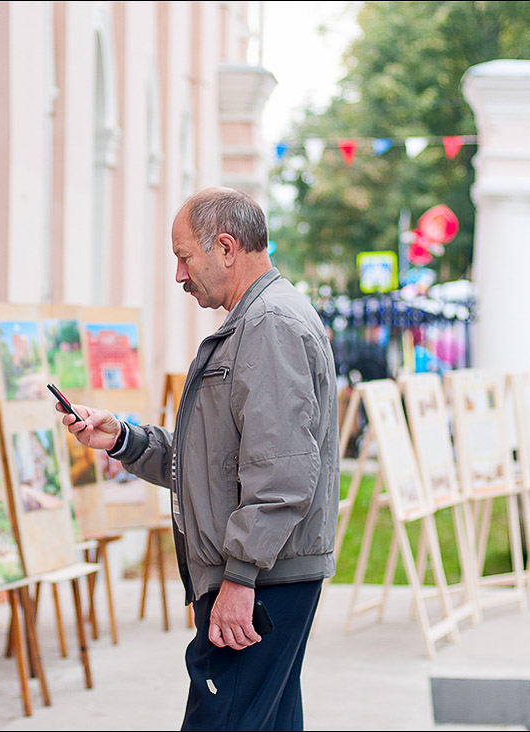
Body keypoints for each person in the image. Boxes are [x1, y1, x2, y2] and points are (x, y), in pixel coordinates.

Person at [57, 188, 339, 731]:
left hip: (262, 581)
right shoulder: (256, 321)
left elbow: (282, 474)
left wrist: (240, 578)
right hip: (266, 576)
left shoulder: (270, 325)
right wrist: (123, 439)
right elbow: (212, 466)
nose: (181, 275)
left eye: (184, 257)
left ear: (226, 248)